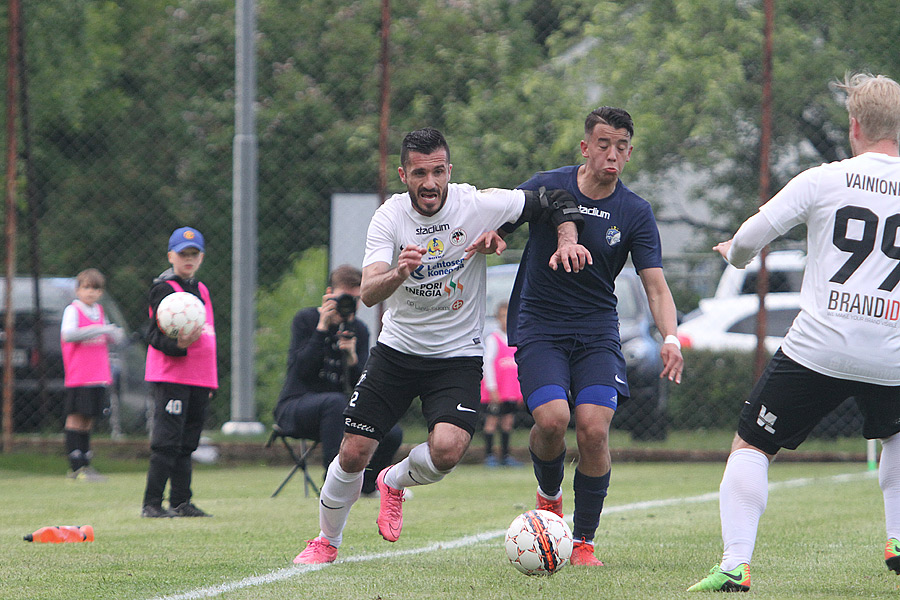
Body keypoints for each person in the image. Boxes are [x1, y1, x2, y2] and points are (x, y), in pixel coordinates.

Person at [293, 126, 587, 564]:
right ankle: (326, 542)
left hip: (457, 355)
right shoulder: (389, 217)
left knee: (447, 450)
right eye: (418, 174)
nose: (429, 183)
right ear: (403, 175)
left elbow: (555, 199)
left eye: (437, 172)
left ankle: (393, 480)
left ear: (449, 170)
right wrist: (399, 272)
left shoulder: (475, 203)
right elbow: (369, 292)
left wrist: (566, 238)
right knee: (352, 452)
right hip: (397, 350)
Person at [688, 73, 900, 592]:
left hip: (820, 345)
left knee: (752, 444)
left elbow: (750, 240)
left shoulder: (823, 178)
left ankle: (736, 563)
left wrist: (732, 251)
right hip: (893, 348)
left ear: (854, 126)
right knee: (897, 433)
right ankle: (898, 539)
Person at [502, 107, 683, 566]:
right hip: (540, 325)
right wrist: (491, 236)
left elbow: (656, 287)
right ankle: (549, 495)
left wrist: (672, 338)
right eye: (603, 144)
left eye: (621, 147)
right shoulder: (548, 185)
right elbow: (499, 218)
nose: (612, 154)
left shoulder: (635, 212)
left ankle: (583, 542)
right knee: (551, 421)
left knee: (594, 430)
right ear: (585, 147)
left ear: (629, 152)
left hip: (598, 332)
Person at [273, 264, 403, 495]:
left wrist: (353, 358)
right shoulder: (307, 320)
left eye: (356, 299)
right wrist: (322, 328)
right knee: (335, 403)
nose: (349, 305)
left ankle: (366, 485)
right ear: (329, 294)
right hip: (296, 406)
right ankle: (333, 485)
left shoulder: (358, 330)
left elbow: (361, 387)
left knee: (391, 430)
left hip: (338, 411)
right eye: (345, 298)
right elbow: (300, 370)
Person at [140, 226, 217, 518]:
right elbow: (153, 335)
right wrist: (178, 345)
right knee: (167, 442)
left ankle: (181, 501)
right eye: (183, 254)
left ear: (201, 257)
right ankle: (151, 503)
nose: (188, 259)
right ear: (171, 255)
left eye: (194, 254)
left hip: (199, 378)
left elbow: (208, 336)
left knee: (188, 443)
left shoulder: (202, 289)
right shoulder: (164, 289)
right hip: (173, 376)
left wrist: (210, 379)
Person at [61, 268, 125, 482]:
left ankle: (86, 465)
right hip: (79, 375)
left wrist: (113, 333)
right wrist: (101, 330)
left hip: (99, 375)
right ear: (78, 290)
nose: (90, 292)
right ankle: (75, 466)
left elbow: (110, 336)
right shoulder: (73, 310)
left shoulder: (99, 311)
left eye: (95, 288)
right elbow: (69, 335)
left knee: (88, 419)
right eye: (86, 287)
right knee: (76, 417)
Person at [480, 301, 523, 467]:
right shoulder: (493, 340)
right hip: (496, 391)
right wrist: (492, 389)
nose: (507, 320)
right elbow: (488, 364)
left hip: (510, 391)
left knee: (507, 422)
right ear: (497, 318)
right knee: (491, 421)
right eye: (503, 316)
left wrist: (520, 391)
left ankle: (505, 456)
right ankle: (489, 455)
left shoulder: (516, 339)